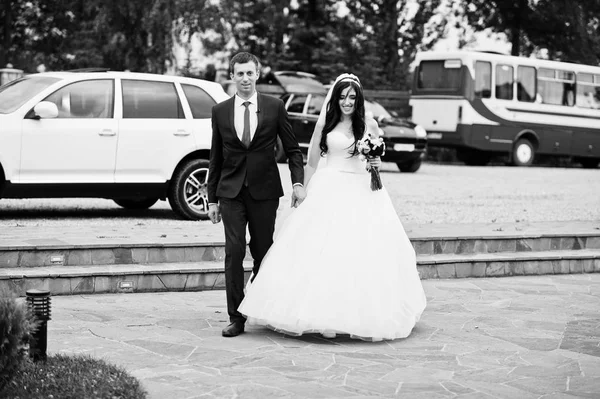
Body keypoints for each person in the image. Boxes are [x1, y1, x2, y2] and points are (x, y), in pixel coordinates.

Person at [238, 73, 427, 342]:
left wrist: (376, 165)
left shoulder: (369, 125)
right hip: (328, 187)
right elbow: (312, 161)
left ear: (358, 99)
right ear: (335, 98)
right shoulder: (326, 123)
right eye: (342, 96)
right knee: (318, 248)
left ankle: (357, 314)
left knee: (360, 252)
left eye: (352, 97)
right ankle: (314, 313)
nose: (347, 102)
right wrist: (301, 188)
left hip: (361, 190)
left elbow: (375, 161)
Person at [207, 52, 306, 338]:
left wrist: (297, 183)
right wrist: (212, 199)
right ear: (232, 76)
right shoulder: (220, 111)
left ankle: (258, 298)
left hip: (264, 192)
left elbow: (292, 150)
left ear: (258, 74)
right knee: (234, 251)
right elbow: (216, 157)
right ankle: (236, 316)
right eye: (240, 74)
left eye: (250, 73)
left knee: (263, 252)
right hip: (231, 192)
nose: (245, 79)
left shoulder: (275, 107)